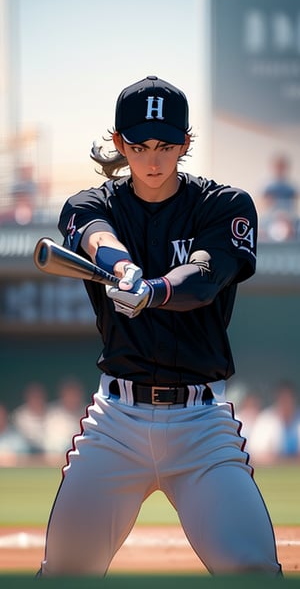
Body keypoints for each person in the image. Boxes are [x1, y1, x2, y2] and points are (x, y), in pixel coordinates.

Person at [37, 76, 281, 576]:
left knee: (254, 571)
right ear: (119, 143)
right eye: (141, 145)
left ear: (186, 143)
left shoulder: (224, 204)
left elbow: (205, 277)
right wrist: (124, 268)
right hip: (116, 423)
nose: (153, 159)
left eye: (167, 145)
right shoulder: (91, 203)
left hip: (201, 424)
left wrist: (153, 290)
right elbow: (97, 236)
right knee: (64, 573)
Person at [248, 380, 300, 463]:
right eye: (283, 399)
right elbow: (256, 453)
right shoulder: (265, 419)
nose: (286, 402)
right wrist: (282, 460)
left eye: (288, 398)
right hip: (273, 470)